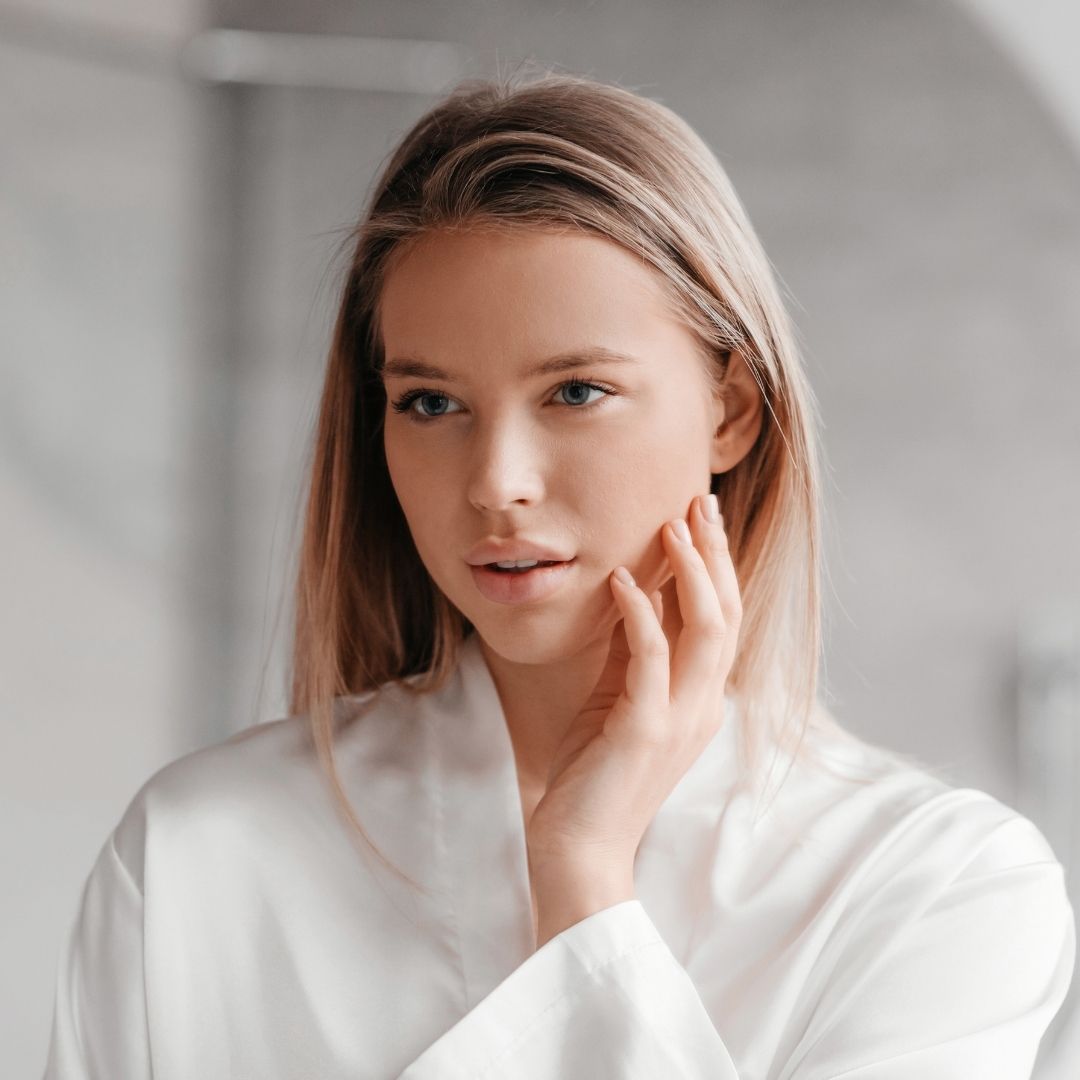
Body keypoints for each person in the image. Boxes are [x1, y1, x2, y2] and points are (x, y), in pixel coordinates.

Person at [44, 70, 1075, 1079]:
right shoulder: (195, 855)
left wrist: (582, 882)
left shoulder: (936, 887)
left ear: (732, 410)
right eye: (430, 404)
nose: (496, 484)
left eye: (575, 392)